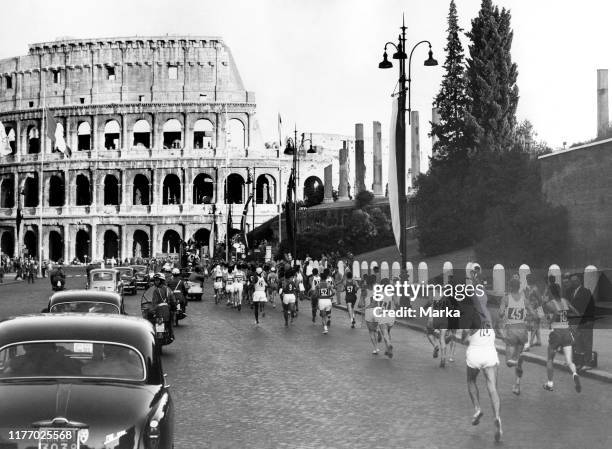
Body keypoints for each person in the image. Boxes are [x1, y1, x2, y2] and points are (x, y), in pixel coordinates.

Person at [462, 282, 502, 443]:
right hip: (490, 351)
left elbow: (464, 337)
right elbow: (497, 331)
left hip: (475, 352)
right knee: (492, 387)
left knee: (471, 380)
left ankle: (477, 409)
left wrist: (465, 337)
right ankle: (497, 417)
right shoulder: (492, 312)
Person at [542, 283, 581, 393]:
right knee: (569, 361)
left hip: (556, 334)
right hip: (566, 332)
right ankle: (575, 374)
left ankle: (550, 384)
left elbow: (553, 312)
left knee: (550, 359)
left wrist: (550, 322)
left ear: (551, 292)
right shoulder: (566, 301)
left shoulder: (551, 303)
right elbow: (576, 312)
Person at [498, 277, 534, 396]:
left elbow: (500, 313)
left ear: (510, 286)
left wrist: (505, 311)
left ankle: (518, 360)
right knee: (518, 361)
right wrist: (525, 318)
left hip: (512, 332)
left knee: (509, 362)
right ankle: (517, 385)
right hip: (522, 331)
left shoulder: (506, 298)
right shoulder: (525, 299)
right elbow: (534, 314)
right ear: (519, 287)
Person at [568, 274, 596, 370]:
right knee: (579, 342)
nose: (573, 283)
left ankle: (588, 363)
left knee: (587, 341)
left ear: (579, 281)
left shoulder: (585, 291)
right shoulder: (573, 292)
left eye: (575, 281)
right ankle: (580, 362)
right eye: (572, 281)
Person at [142, 273, 177, 341]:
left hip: (158, 312)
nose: (156, 282)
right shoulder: (168, 289)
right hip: (167, 312)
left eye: (157, 280)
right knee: (170, 321)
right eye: (155, 280)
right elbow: (173, 300)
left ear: (161, 281)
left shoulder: (156, 290)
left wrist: (152, 311)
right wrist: (174, 307)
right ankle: (171, 335)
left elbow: (154, 303)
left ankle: (149, 335)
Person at [376, 278, 397, 358]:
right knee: (388, 333)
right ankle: (387, 350)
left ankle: (389, 344)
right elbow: (397, 302)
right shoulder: (391, 292)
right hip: (391, 316)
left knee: (385, 333)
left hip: (382, 316)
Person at [314, 269, 336, 334]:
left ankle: (325, 328)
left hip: (321, 301)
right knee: (326, 314)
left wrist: (318, 296)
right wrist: (330, 296)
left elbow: (315, 294)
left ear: (320, 278)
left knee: (323, 317)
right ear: (326, 278)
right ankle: (328, 317)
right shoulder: (328, 285)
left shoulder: (318, 285)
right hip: (328, 301)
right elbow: (334, 292)